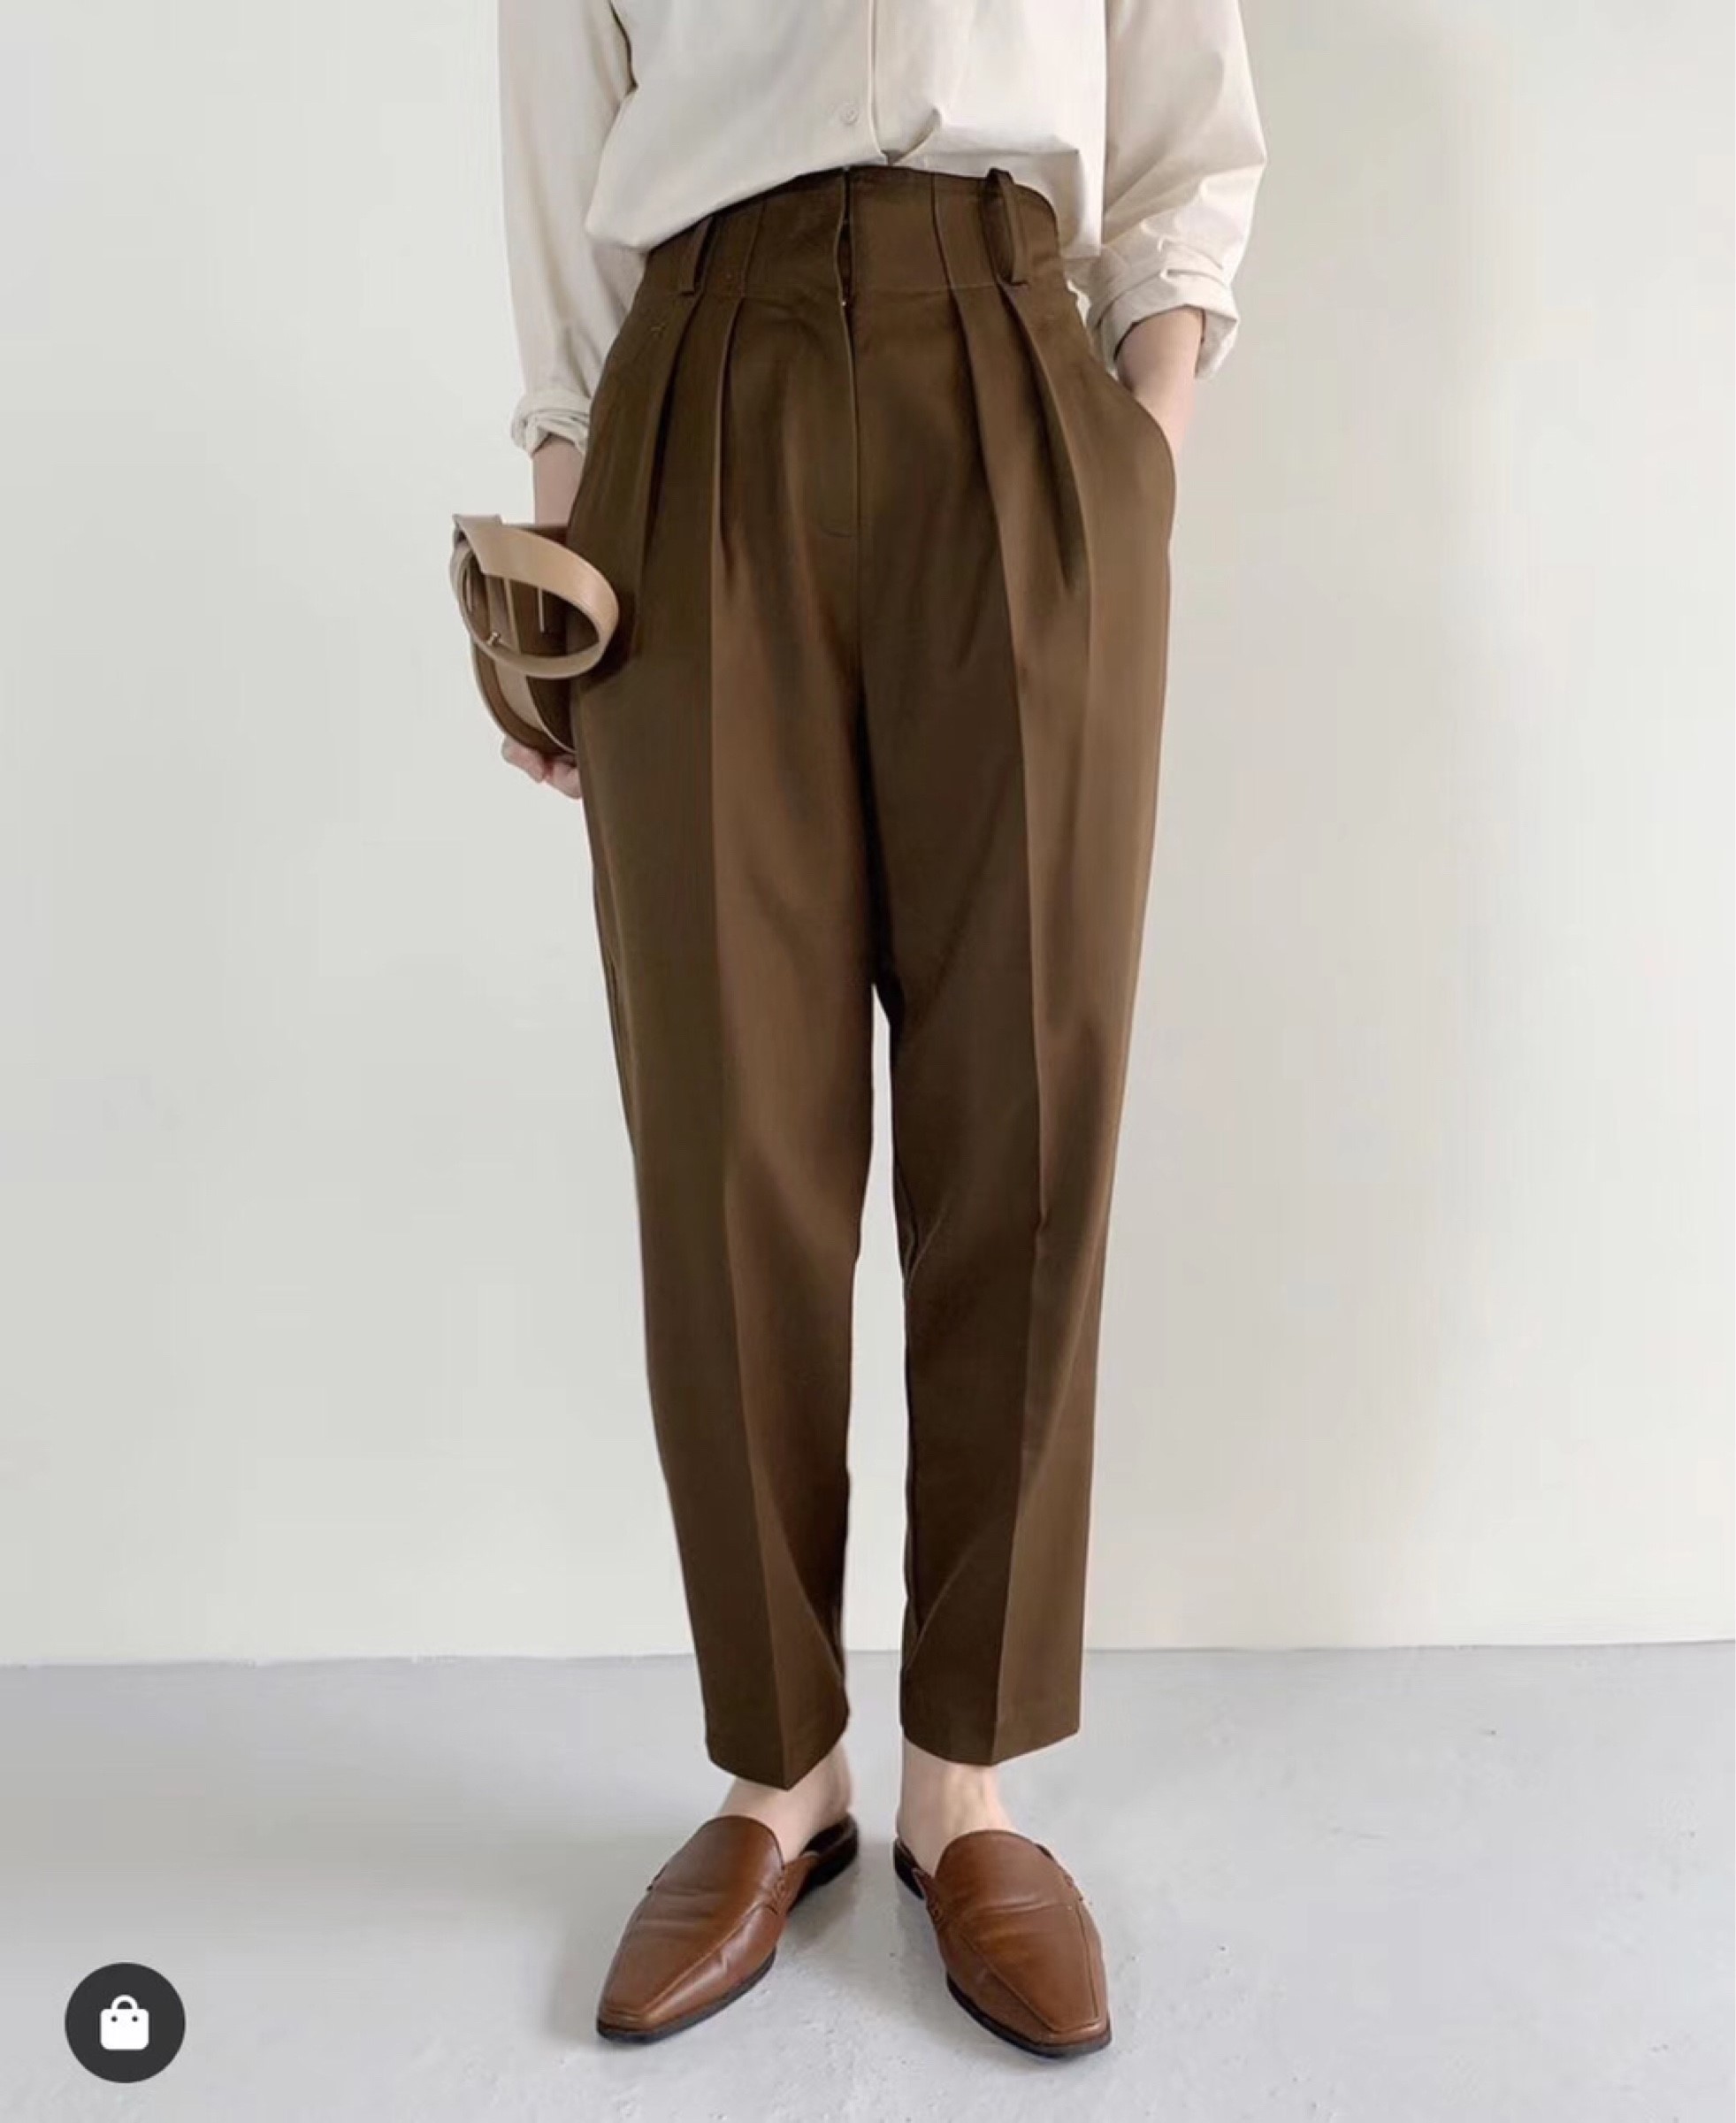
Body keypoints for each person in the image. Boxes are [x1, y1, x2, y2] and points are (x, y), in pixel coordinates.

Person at [494, 0, 1265, 2058]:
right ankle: (780, 1778)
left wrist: (1135, 464)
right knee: (725, 1124)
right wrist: (564, 534)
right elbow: (562, 163)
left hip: (1014, 372)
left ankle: (964, 1787)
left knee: (1028, 1107)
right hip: (694, 396)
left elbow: (1187, 138)